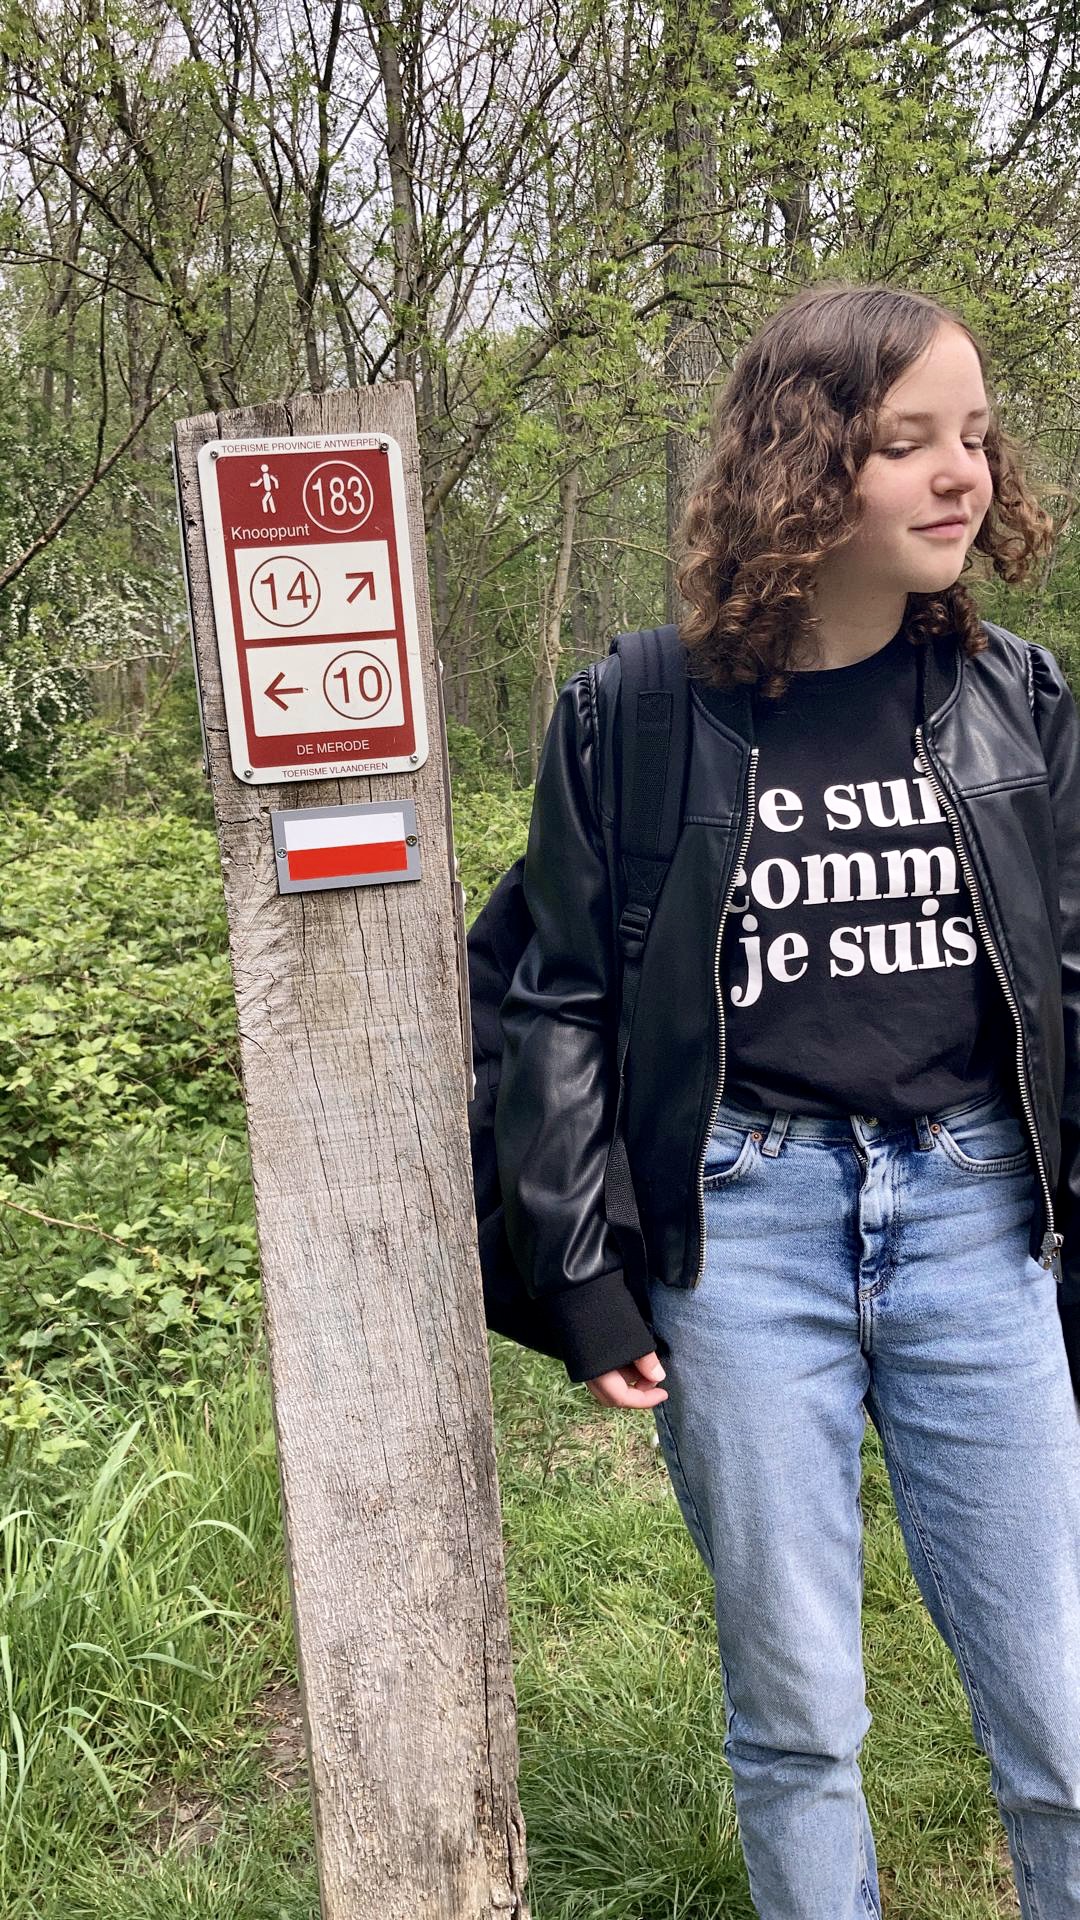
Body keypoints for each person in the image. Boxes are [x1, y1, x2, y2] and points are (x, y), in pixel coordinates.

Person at [494, 281, 1080, 1918]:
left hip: (976, 1218)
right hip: (743, 1230)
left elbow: (1068, 982)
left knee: (1065, 1708)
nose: (962, 473)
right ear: (806, 467)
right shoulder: (637, 711)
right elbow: (557, 997)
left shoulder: (1020, 699)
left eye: (976, 437)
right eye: (909, 442)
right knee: (801, 1713)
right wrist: (584, 1274)